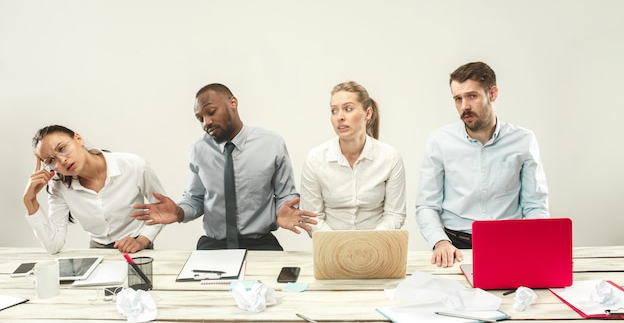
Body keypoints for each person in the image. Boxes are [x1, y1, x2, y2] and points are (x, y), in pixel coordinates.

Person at [132, 83, 317, 251]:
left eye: (211, 112)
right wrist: (179, 212)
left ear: (233, 103)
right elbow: (195, 198)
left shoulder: (271, 144)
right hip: (214, 244)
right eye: (200, 119)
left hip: (260, 243)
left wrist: (283, 210)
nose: (206, 123)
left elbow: (286, 194)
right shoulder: (199, 150)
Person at [415, 61, 549, 268]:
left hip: (511, 243)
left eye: (472, 96)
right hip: (455, 248)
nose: (464, 107)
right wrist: (440, 242)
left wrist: (533, 243)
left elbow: (535, 205)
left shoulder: (523, 140)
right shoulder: (439, 141)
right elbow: (426, 205)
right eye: (458, 99)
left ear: (493, 94)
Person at [24, 125, 166, 254]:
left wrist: (142, 240)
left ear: (78, 139)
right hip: (98, 252)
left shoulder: (134, 165)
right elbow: (53, 245)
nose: (61, 161)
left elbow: (164, 209)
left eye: (62, 149)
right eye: (51, 160)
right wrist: (30, 201)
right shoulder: (58, 187)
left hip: (138, 247)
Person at [300, 81, 406, 232]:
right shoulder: (315, 159)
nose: (340, 117)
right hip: (331, 248)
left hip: (376, 247)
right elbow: (313, 217)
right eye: (334, 111)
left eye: (348, 109)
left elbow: (395, 215)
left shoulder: (390, 157)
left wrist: (369, 242)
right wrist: (339, 245)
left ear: (368, 113)